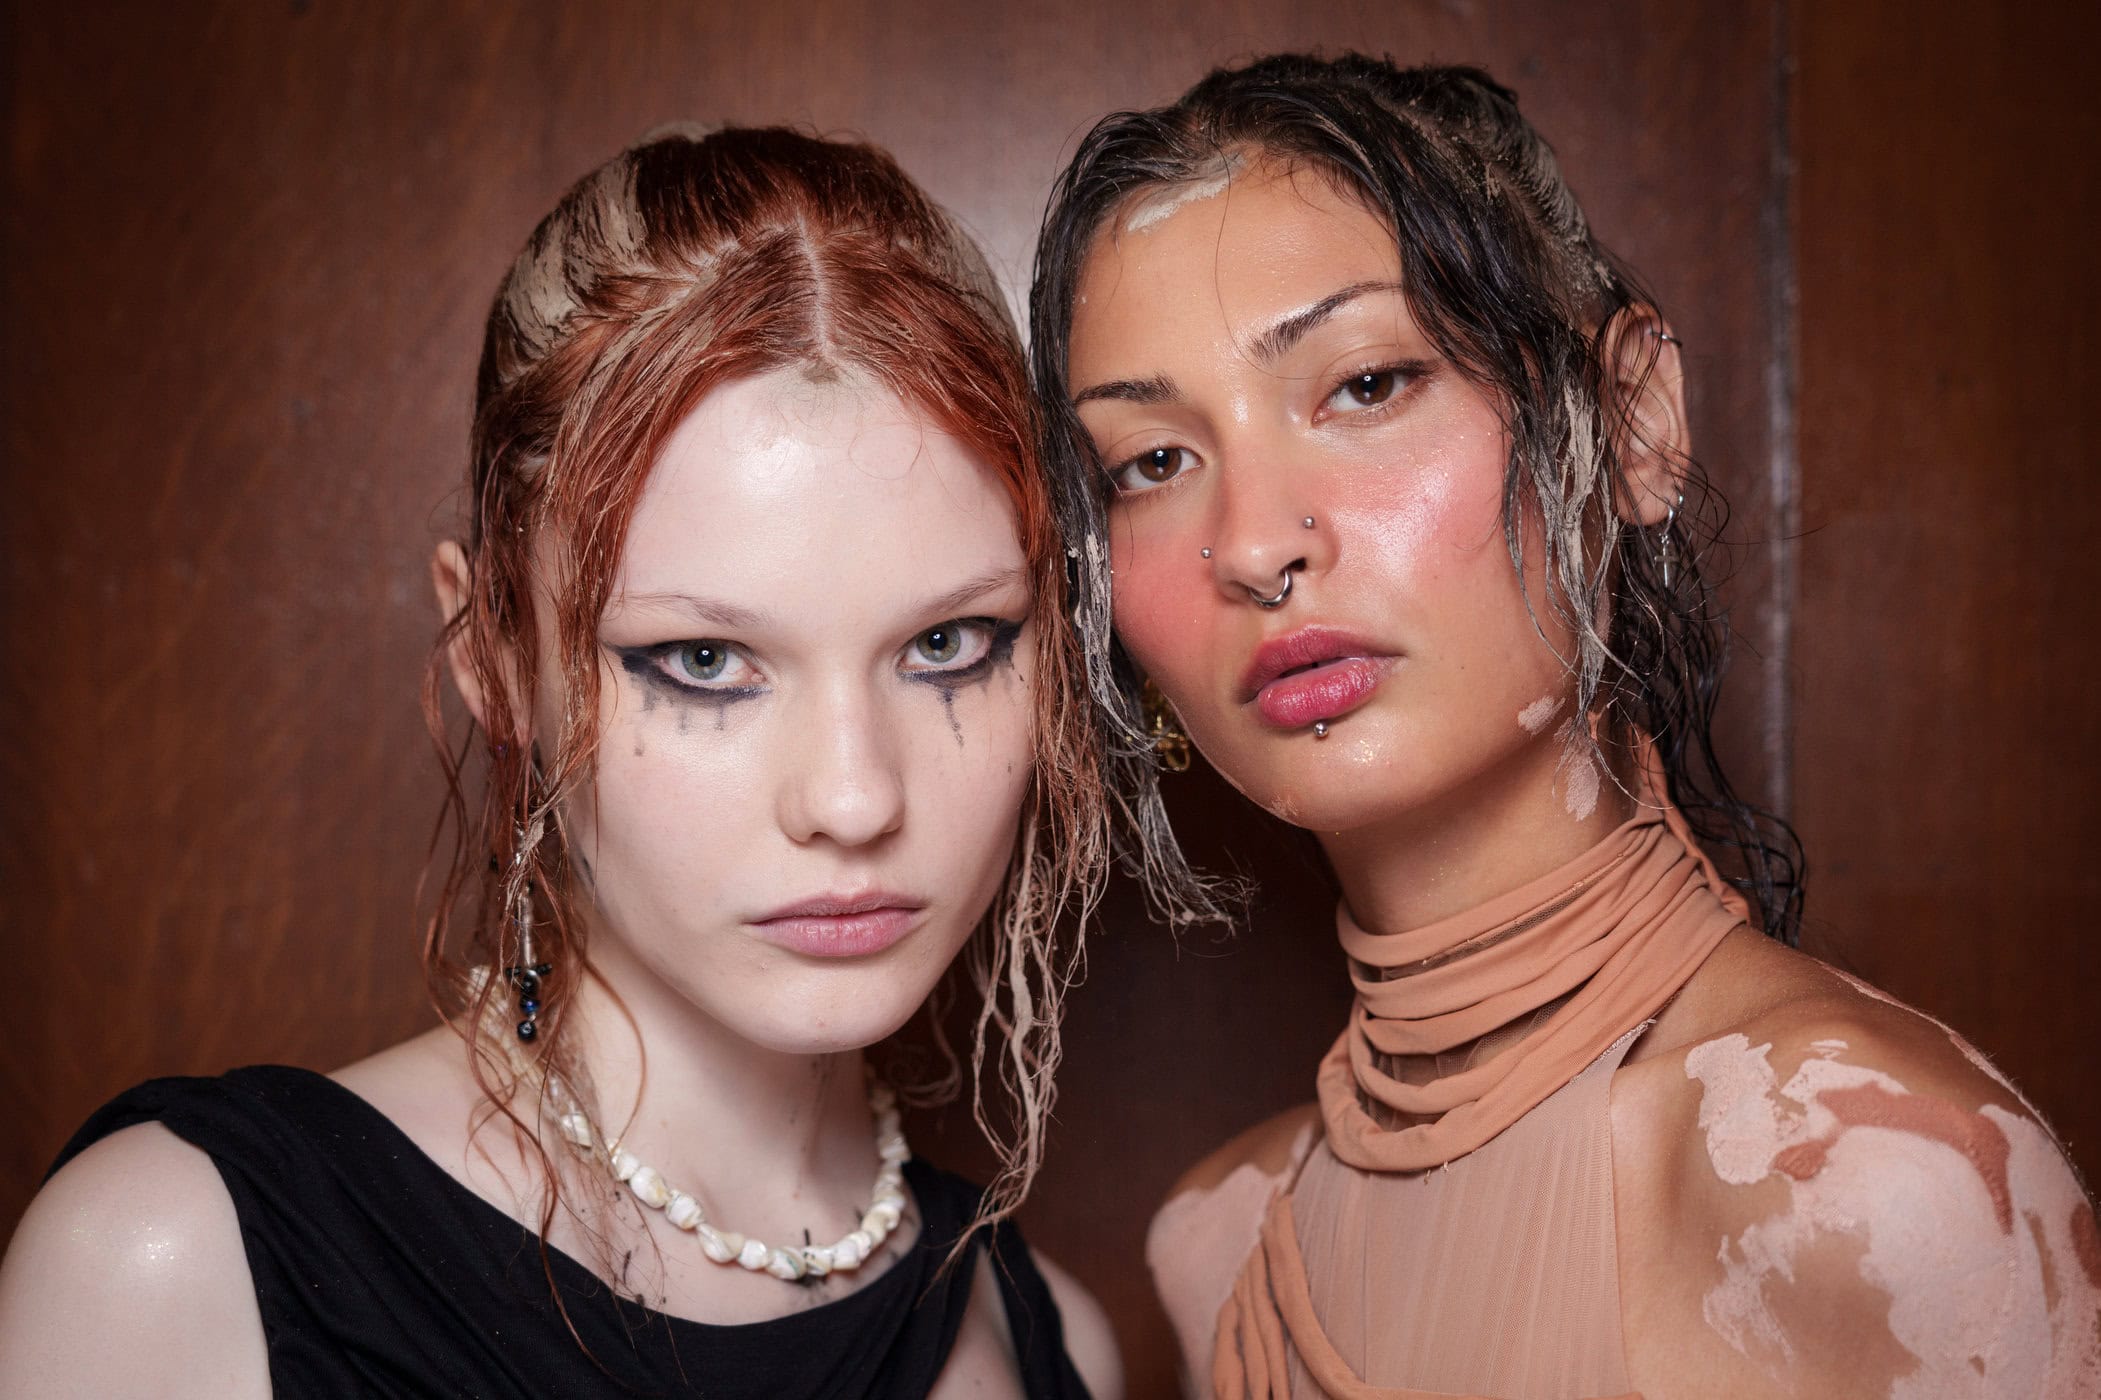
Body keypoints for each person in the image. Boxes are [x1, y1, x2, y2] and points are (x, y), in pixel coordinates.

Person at [1029, 54, 2101, 1399]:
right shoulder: (1215, 1243)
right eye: (1151, 463)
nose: (1250, 544)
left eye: (1366, 385)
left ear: (1633, 419)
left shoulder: (1873, 1192)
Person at [0, 124, 1121, 1399]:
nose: (854, 797)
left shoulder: (1050, 1340)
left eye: (948, 643)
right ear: (491, 654)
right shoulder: (172, 1265)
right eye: (703, 659)